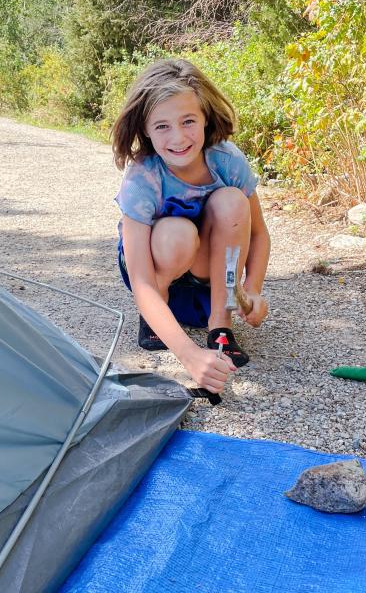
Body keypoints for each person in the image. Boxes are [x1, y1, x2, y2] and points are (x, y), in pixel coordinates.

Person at [112, 58, 271, 396]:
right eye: (162, 126)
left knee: (231, 202)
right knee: (175, 234)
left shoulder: (227, 160)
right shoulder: (143, 177)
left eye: (188, 121)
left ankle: (220, 325)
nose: (179, 137)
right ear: (144, 129)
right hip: (156, 281)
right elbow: (140, 281)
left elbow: (258, 234)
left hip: (207, 281)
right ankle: (157, 316)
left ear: (205, 117)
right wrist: (189, 355)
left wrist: (253, 289)